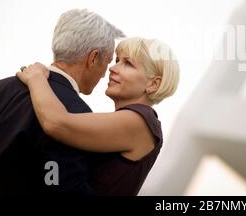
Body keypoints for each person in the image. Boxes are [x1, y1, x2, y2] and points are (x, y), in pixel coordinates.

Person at [0, 9, 124, 195]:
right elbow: (63, 187)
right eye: (108, 62)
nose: (105, 73)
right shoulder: (75, 112)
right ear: (93, 58)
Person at [16, 37, 180, 195]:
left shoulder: (141, 121)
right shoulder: (137, 121)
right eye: (117, 60)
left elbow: (57, 124)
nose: (112, 68)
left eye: (128, 64)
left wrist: (36, 78)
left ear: (153, 84)